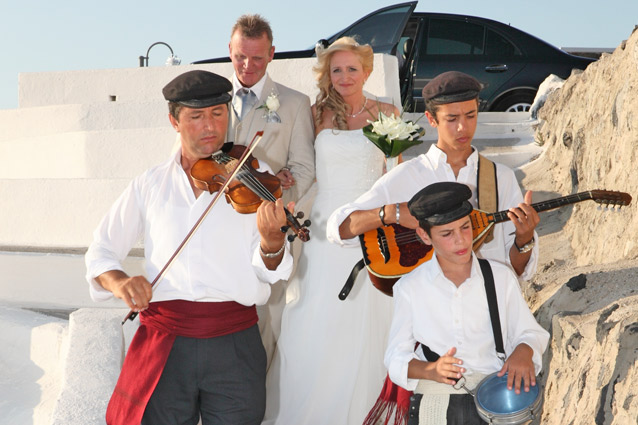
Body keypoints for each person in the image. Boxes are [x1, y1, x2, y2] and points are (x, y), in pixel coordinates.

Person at [84, 70, 294, 425]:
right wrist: (120, 282)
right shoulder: (149, 184)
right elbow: (100, 251)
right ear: (174, 121)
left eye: (218, 113)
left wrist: (273, 243)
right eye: (196, 116)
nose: (210, 126)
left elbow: (270, 268)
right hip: (165, 343)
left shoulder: (255, 174)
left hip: (234, 343)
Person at [263, 37, 398, 425]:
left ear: (366, 72)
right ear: (328, 74)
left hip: (370, 227)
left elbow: (396, 175)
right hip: (323, 229)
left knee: (368, 318)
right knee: (312, 319)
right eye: (336, 69)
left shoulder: (387, 113)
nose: (344, 76)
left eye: (351, 69)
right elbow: (302, 162)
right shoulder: (316, 112)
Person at [327, 70, 540, 281]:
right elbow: (338, 228)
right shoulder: (407, 174)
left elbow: (516, 270)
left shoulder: (499, 177)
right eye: (452, 118)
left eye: (470, 115)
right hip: (426, 307)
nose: (462, 127)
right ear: (431, 119)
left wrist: (524, 238)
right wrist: (391, 213)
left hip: (485, 302)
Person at [384, 181, 549, 424]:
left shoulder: (499, 276)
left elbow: (528, 332)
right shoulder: (410, 287)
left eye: (465, 227)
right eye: (447, 234)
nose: (461, 240)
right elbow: (395, 357)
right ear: (424, 236)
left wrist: (524, 351)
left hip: (495, 403)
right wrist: (432, 370)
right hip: (435, 403)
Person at [227, 14, 316, 368]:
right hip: (216, 230)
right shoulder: (212, 99)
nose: (248, 66)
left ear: (272, 54)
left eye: (258, 58)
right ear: (229, 51)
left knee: (261, 331)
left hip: (264, 232)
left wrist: (277, 191)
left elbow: (305, 169)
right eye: (240, 57)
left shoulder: (293, 103)